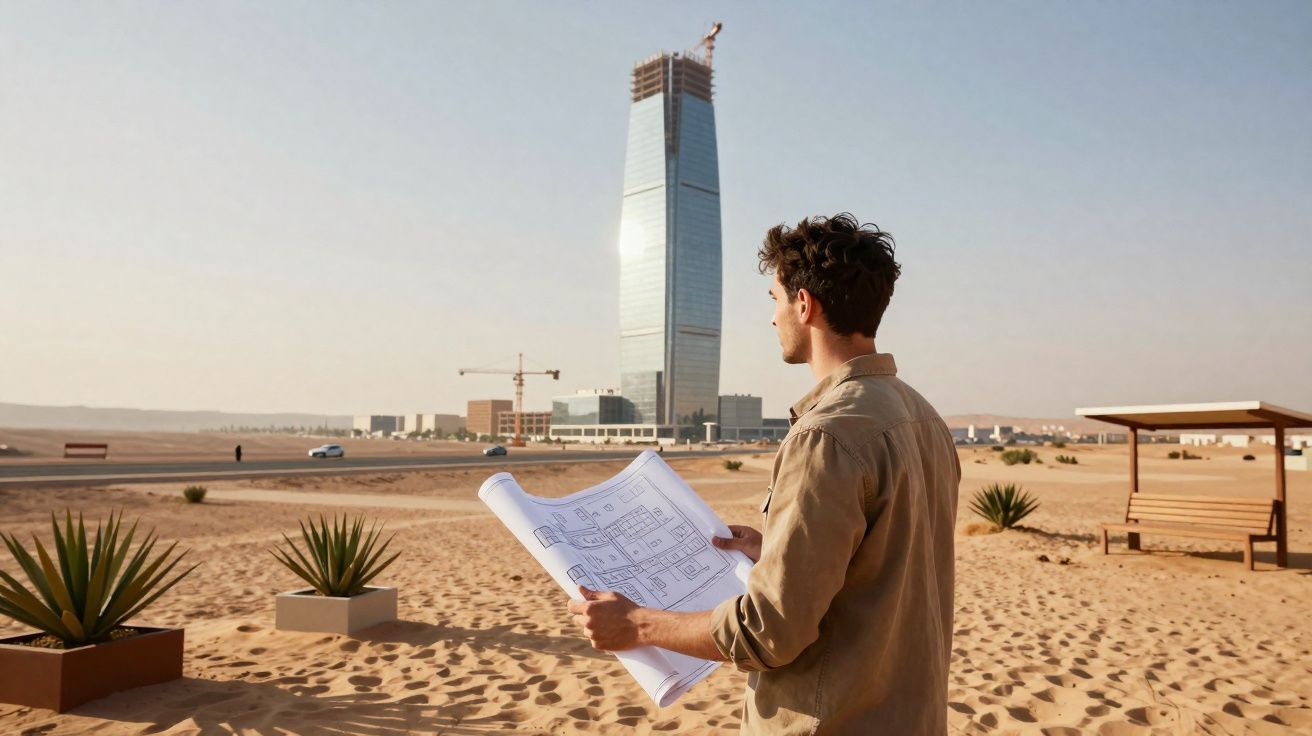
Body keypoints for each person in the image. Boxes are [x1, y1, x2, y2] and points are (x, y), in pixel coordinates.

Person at [568, 214, 960, 734]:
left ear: (804, 304)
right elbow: (884, 561)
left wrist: (637, 623)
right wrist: (776, 548)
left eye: (775, 300)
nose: (773, 319)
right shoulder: (924, 417)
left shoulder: (826, 436)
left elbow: (769, 632)